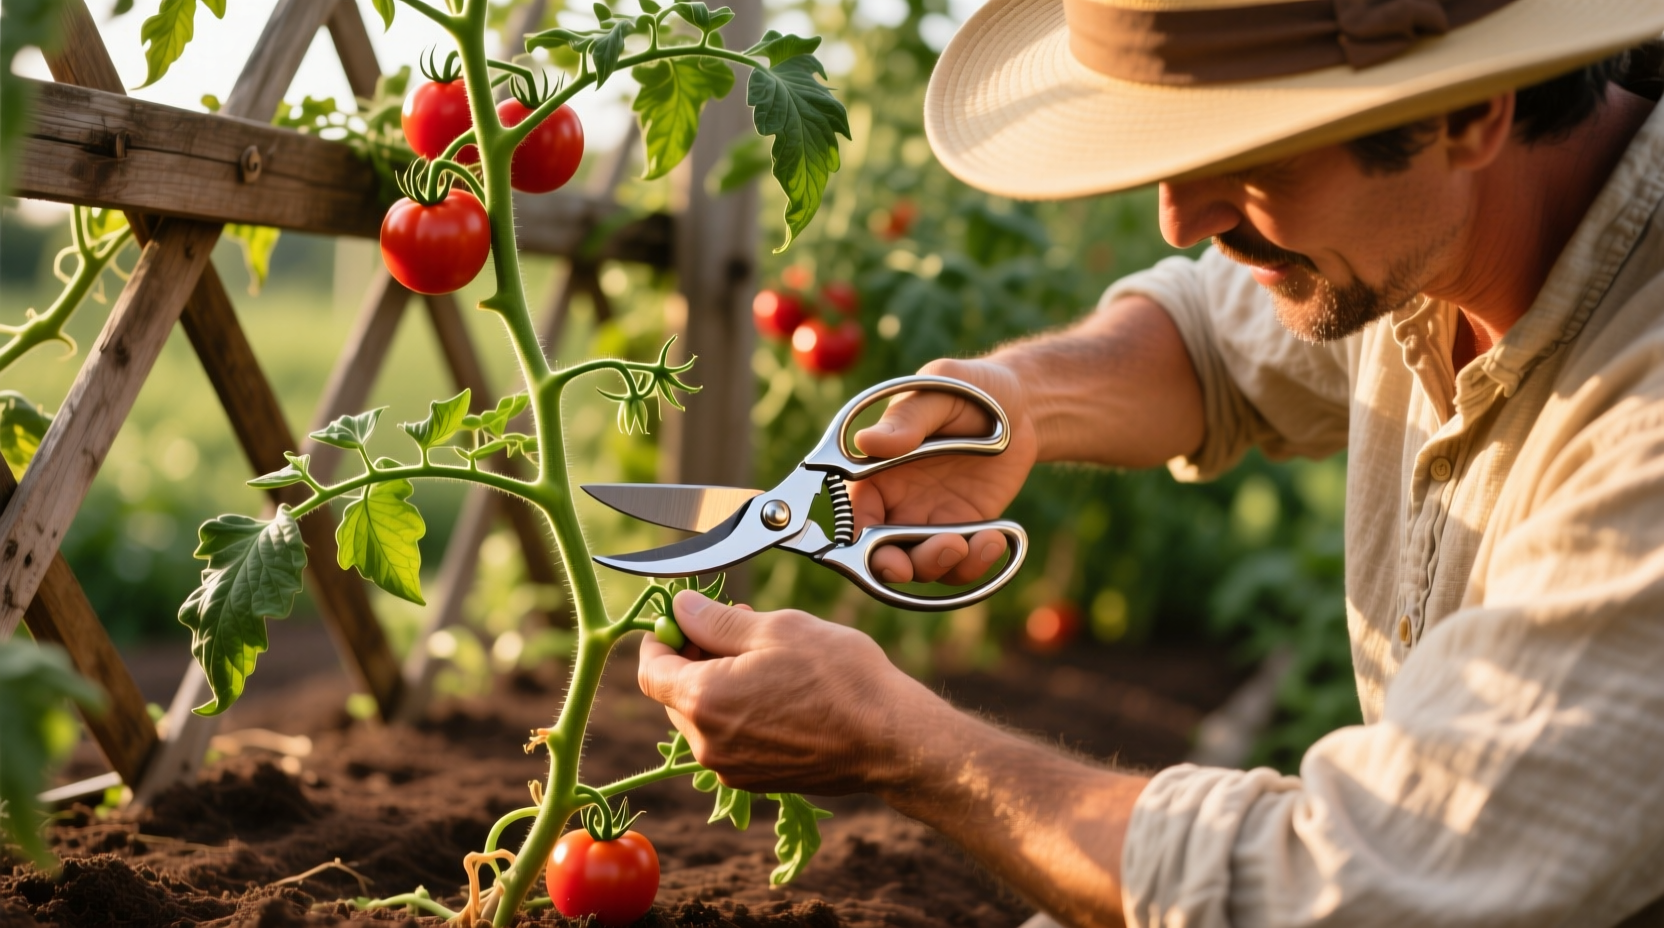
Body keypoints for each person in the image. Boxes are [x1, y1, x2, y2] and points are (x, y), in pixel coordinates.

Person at [637, 1, 1664, 925]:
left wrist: (892, 739)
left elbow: (1353, 884)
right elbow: (1215, 345)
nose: (1180, 219)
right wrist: (1016, 400)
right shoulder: (1422, 229)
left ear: (1468, 109)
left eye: (1251, 152)